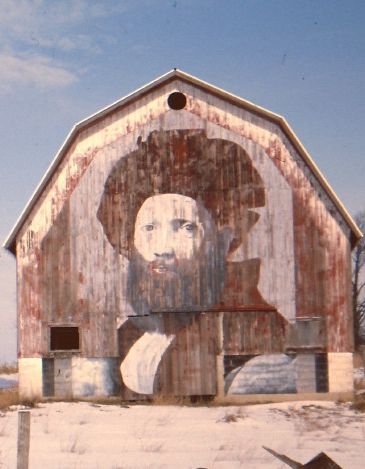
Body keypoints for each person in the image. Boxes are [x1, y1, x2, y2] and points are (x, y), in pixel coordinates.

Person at [97, 129, 286, 398]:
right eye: (149, 227)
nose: (162, 249)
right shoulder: (129, 334)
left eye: (185, 227)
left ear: (221, 239)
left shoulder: (255, 331)